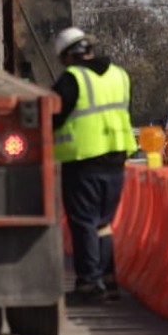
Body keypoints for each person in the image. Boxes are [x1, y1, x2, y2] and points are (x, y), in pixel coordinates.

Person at [52, 25, 135, 304]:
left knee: (84, 223)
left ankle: (89, 283)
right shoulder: (119, 75)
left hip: (83, 160)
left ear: (67, 56)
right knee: (103, 223)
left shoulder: (72, 79)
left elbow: (53, 117)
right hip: (116, 159)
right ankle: (108, 281)